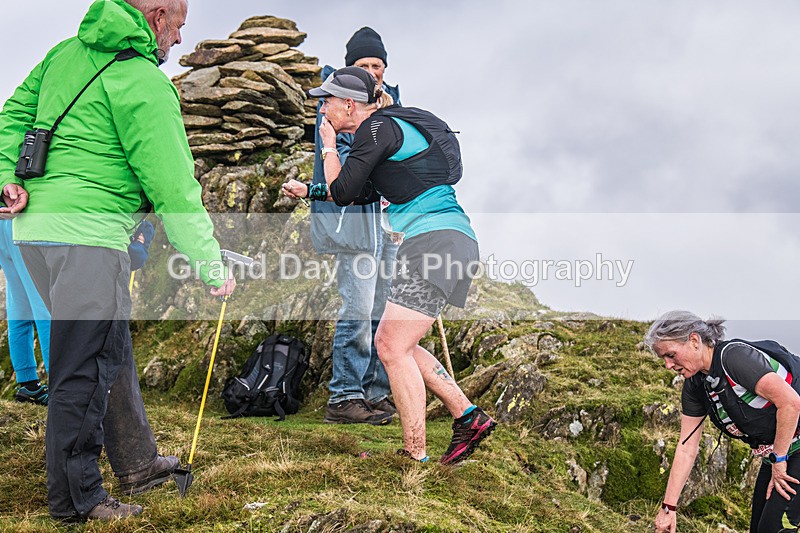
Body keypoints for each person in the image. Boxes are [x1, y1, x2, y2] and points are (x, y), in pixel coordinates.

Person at [0, 0, 235, 521]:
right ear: (156, 16)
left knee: (108, 346)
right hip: (90, 238)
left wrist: (5, 176)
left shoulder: (62, 56)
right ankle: (77, 503)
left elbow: (11, 116)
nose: (176, 42)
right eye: (177, 27)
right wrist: (210, 263)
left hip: (35, 234)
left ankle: (138, 462)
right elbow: (174, 186)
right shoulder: (143, 82)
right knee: (81, 372)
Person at [283, 67, 496, 464]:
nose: (322, 108)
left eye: (326, 101)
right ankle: (468, 417)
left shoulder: (378, 129)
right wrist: (309, 190)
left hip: (437, 242)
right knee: (401, 343)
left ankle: (414, 452)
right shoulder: (378, 136)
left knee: (389, 345)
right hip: (443, 242)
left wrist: (328, 145)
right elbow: (355, 191)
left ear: (349, 105)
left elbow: (343, 192)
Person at [310, 27, 401, 426]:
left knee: (384, 307)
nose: (372, 71)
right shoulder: (336, 106)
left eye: (376, 65)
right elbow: (349, 170)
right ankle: (345, 395)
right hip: (355, 222)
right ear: (350, 68)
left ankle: (377, 394)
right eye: (363, 65)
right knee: (359, 308)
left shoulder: (392, 104)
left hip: (388, 222)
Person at [646, 311, 800, 533]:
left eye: (671, 355)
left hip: (785, 453)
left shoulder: (734, 358)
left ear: (694, 341)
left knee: (773, 528)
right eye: (663, 359)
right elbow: (686, 447)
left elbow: (791, 403)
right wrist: (668, 509)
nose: (668, 365)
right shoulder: (696, 385)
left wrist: (780, 460)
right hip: (779, 453)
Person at [0, 218, 50, 404]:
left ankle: (28, 385)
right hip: (20, 222)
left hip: (2, 224)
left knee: (18, 308)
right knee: (44, 306)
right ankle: (60, 383)